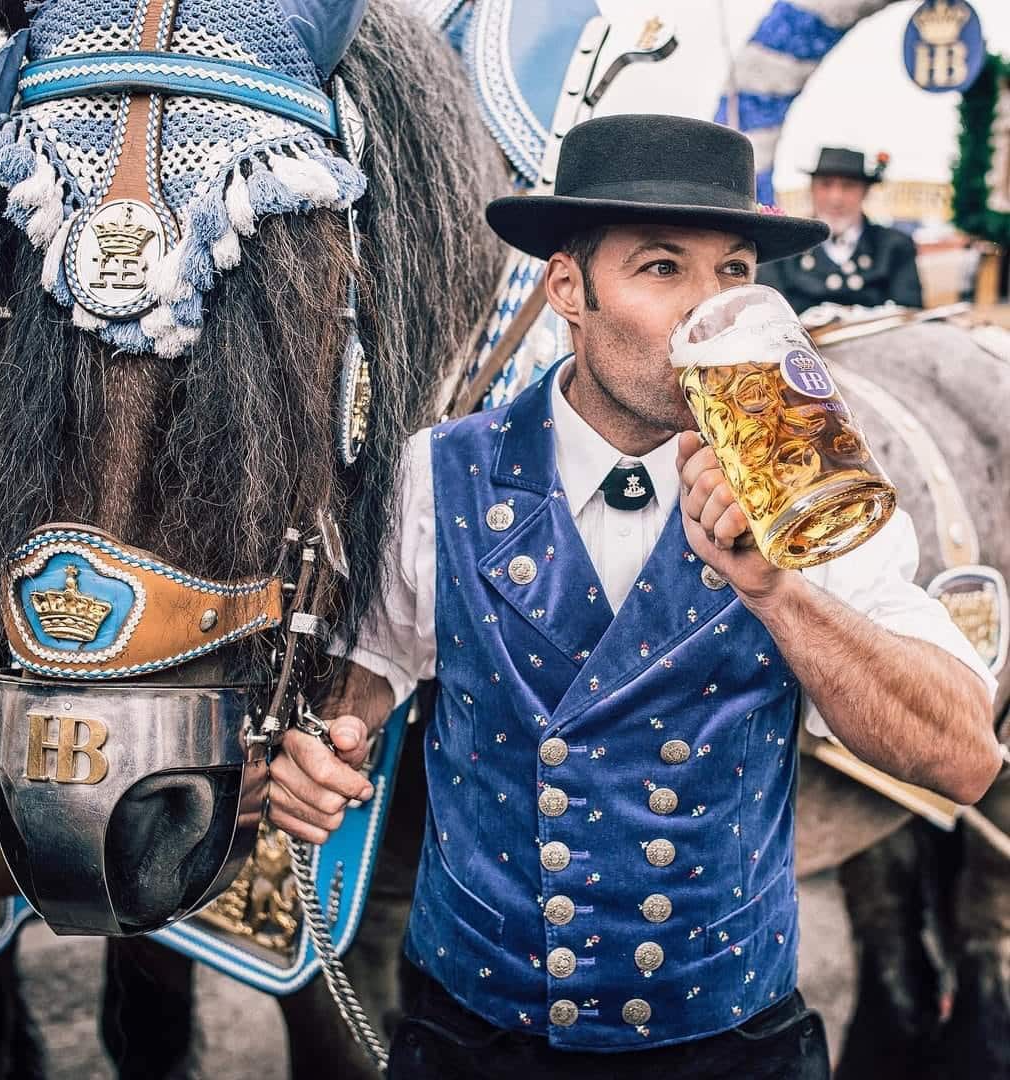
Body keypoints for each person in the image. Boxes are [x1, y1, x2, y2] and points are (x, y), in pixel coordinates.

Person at [268, 114, 1000, 1079]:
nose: (713, 314)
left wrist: (780, 592)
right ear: (567, 288)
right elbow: (375, 665)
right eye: (663, 268)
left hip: (728, 1043)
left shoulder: (807, 485)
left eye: (735, 273)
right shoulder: (434, 475)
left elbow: (962, 755)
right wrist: (319, 750)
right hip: (470, 1035)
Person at [757, 146, 924, 315]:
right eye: (826, 185)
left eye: (848, 186)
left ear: (865, 192)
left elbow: (910, 315)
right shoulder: (781, 247)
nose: (836, 198)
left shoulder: (895, 246)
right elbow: (770, 318)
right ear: (812, 190)